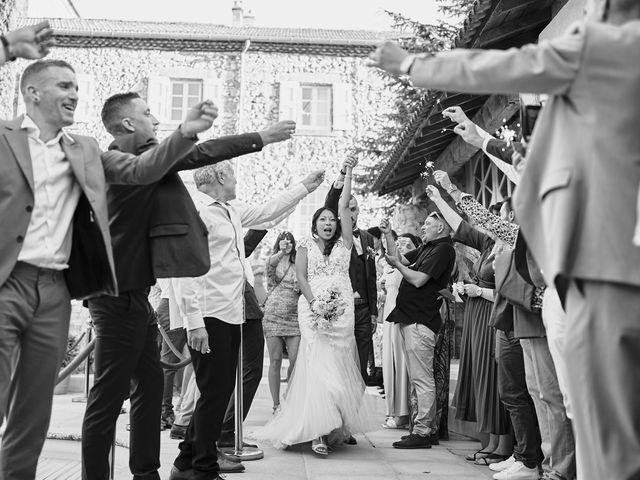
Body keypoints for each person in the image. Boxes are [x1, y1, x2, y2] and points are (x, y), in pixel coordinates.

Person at [370, 4, 640, 476]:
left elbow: (508, 64)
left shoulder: (609, 45)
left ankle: (561, 466)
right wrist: (475, 144)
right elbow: (519, 164)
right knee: (577, 403)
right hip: (571, 284)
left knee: (592, 406)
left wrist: (417, 65)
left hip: (595, 278)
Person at [0, 59, 215, 480]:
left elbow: (142, 169)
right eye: (64, 85)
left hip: (60, 292)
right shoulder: (5, 138)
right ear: (32, 92)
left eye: (77, 85)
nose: (75, 93)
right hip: (20, 285)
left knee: (32, 412)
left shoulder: (85, 150)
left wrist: (186, 132)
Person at [81, 91, 296, 480]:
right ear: (128, 124)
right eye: (147, 113)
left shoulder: (155, 163)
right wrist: (259, 137)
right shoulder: (114, 162)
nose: (155, 119)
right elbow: (198, 154)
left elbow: (196, 156)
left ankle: (149, 473)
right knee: (108, 398)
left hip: (137, 297)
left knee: (148, 389)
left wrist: (260, 139)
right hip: (111, 296)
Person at [168, 163, 325, 480]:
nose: (238, 180)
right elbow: (185, 268)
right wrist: (194, 321)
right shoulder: (196, 211)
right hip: (207, 313)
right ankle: (203, 468)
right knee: (214, 392)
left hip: (231, 312)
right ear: (221, 178)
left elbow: (268, 211)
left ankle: (185, 463)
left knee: (220, 389)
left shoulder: (230, 209)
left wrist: (305, 187)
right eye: (235, 175)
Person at [253, 159, 372, 456]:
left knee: (339, 368)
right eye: (323, 220)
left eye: (333, 219)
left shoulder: (346, 243)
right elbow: (302, 277)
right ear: (315, 224)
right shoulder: (305, 244)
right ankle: (316, 432)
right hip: (312, 310)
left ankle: (335, 426)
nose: (329, 223)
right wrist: (315, 302)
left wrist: (349, 174)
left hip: (342, 311)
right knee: (316, 367)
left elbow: (344, 205)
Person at [425, 185, 512, 463]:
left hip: (493, 317)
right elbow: (460, 226)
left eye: (502, 215)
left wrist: (480, 292)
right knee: (479, 375)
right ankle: (491, 442)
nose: (492, 221)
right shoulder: (489, 244)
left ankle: (504, 445)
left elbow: (510, 288)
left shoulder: (512, 245)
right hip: (476, 316)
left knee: (493, 376)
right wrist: (439, 198)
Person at [380, 212, 456, 449]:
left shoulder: (443, 250)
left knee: (422, 379)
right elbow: (398, 258)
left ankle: (423, 432)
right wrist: (387, 234)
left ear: (441, 227)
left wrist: (397, 267)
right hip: (409, 318)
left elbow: (418, 280)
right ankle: (426, 428)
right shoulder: (427, 247)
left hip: (421, 321)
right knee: (418, 378)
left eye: (428, 224)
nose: (423, 228)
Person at [324, 160, 378, 382]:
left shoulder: (367, 238)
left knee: (360, 364)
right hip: (341, 308)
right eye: (348, 209)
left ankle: (353, 410)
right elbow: (331, 202)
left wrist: (374, 311)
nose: (351, 213)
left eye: (354, 209)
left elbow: (371, 276)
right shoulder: (334, 236)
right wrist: (343, 173)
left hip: (364, 309)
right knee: (340, 363)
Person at [380, 233, 418, 430]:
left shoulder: (414, 266)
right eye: (399, 243)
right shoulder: (390, 266)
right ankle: (391, 410)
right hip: (388, 316)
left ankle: (403, 413)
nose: (402, 246)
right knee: (389, 363)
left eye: (407, 244)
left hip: (404, 314)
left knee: (402, 362)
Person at [263, 231, 301, 413]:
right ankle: (276, 404)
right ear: (278, 243)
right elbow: (269, 266)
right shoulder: (274, 261)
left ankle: (291, 397)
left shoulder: (298, 263)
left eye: (290, 242)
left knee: (296, 360)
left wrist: (300, 285)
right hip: (273, 315)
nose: (287, 244)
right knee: (275, 360)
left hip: (295, 316)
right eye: (283, 242)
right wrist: (281, 252)